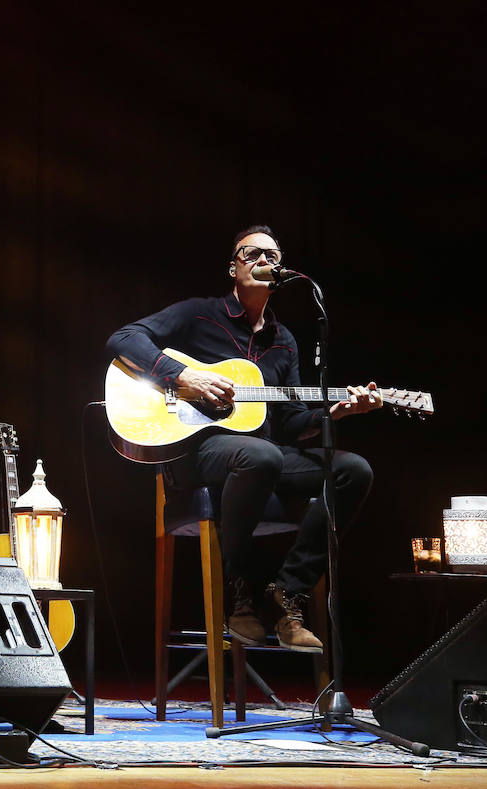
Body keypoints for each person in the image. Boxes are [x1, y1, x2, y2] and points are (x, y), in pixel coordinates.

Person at [105, 225, 379, 652]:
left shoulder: (284, 341)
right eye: (251, 254)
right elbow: (122, 338)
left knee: (352, 470)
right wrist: (183, 376)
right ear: (233, 267)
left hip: (259, 453)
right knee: (262, 456)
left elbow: (289, 422)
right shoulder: (199, 314)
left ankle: (289, 592)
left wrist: (333, 412)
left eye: (272, 256)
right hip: (199, 450)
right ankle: (240, 592)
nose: (263, 261)